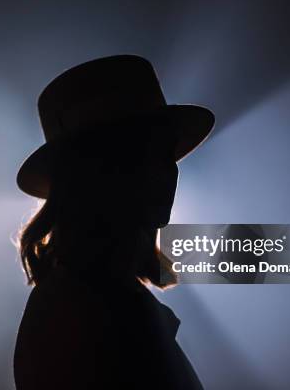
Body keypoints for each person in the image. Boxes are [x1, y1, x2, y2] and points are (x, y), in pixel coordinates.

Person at [13, 55, 215, 389]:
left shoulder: (98, 295)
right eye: (142, 152)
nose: (168, 171)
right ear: (92, 172)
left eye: (167, 152)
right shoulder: (79, 314)